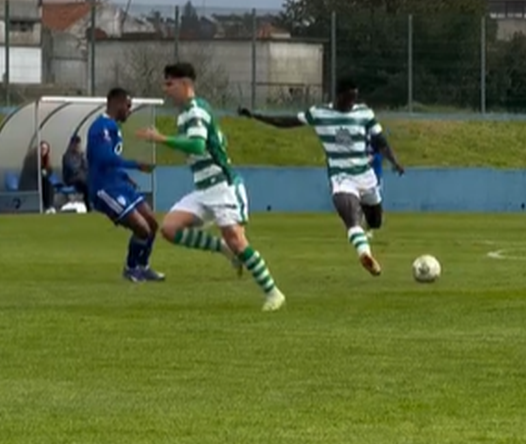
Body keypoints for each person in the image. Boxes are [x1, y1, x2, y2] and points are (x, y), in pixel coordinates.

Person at [136, 61, 285, 312]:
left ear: (185, 84)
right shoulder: (186, 113)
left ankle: (273, 293)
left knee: (238, 239)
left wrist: (160, 138)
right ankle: (223, 249)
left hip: (222, 185)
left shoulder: (196, 110)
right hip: (204, 188)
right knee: (170, 229)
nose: (166, 89)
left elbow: (196, 145)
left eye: (169, 83)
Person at [239, 76, 405, 277]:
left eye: (355, 98)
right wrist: (257, 116)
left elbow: (381, 141)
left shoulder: (364, 113)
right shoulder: (319, 113)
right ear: (339, 96)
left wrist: (394, 161)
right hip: (340, 176)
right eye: (349, 98)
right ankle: (365, 255)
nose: (352, 102)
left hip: (365, 175)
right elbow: (287, 121)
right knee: (351, 218)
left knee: (376, 221)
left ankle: (365, 225)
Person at [87, 87, 165, 283]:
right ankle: (130, 269)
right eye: (128, 106)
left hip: (119, 184)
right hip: (105, 189)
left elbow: (110, 161)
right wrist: (135, 165)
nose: (129, 111)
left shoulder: (113, 127)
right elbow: (103, 158)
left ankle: (143, 266)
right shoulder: (100, 127)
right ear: (117, 103)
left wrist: (123, 175)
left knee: (152, 224)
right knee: (142, 229)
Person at [20, 140, 58, 213]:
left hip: (40, 180)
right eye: (42, 149)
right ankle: (47, 206)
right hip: (30, 181)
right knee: (45, 185)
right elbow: (31, 170)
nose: (43, 151)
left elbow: (49, 170)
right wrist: (41, 171)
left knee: (49, 185)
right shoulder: (31, 158)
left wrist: (45, 172)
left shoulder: (46, 160)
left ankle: (49, 206)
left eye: (45, 149)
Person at [62, 135, 90, 210]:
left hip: (80, 177)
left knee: (89, 181)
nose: (78, 146)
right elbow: (72, 168)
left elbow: (86, 167)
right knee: (84, 183)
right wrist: (82, 168)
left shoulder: (80, 155)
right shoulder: (67, 156)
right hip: (71, 178)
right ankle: (88, 206)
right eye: (76, 144)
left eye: (78, 144)